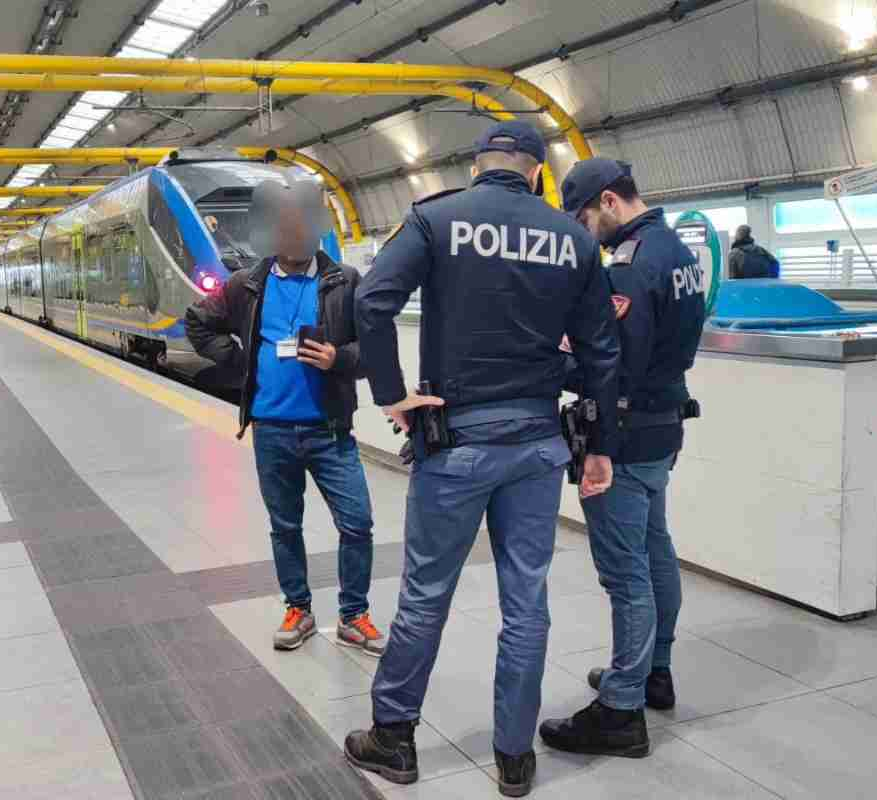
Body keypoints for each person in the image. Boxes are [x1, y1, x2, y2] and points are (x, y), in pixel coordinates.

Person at [343, 121, 621, 797]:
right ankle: (515, 758)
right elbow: (602, 353)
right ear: (536, 173)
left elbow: (371, 302)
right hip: (535, 446)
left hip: (456, 443)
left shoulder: (439, 219)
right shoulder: (575, 239)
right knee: (527, 602)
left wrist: (392, 394)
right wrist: (600, 446)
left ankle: (394, 739)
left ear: (477, 166)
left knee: (427, 595)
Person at [539, 159, 707, 760]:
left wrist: (554, 362)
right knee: (656, 550)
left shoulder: (630, 269)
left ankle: (621, 709)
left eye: (586, 219)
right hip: (664, 429)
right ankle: (653, 672)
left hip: (626, 438)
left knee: (625, 572)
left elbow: (612, 372)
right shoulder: (679, 253)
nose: (587, 233)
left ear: (609, 201)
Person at [184, 176, 386, 658]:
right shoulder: (245, 285)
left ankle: (353, 615)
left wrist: (338, 358)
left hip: (330, 430)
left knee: (357, 523)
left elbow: (374, 350)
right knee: (285, 526)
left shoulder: (345, 282)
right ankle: (299, 608)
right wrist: (237, 362)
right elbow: (196, 321)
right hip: (272, 430)